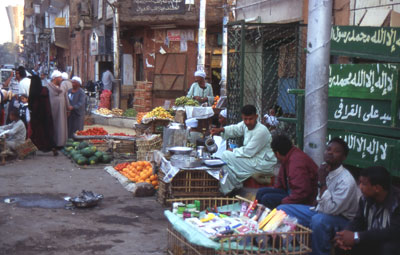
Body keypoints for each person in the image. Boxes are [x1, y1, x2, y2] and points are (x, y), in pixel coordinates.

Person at [277, 137, 361, 255]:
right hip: (321, 211)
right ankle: (294, 246)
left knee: (318, 220)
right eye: (328, 149)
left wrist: (322, 182)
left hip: (342, 220)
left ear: (343, 158)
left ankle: (320, 252)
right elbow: (319, 200)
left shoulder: (346, 180)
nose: (330, 153)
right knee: (283, 209)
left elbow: (331, 210)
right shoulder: (324, 168)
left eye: (336, 151)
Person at [210, 105, 277, 195]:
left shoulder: (261, 131)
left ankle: (232, 187)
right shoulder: (245, 124)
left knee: (226, 155)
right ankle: (231, 189)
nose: (248, 122)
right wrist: (221, 130)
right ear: (242, 117)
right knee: (224, 165)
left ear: (256, 117)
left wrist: (233, 151)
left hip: (262, 162)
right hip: (251, 159)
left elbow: (248, 151)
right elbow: (235, 129)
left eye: (250, 119)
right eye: (245, 119)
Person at [334, 166, 400, 255]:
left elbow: (392, 233)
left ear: (377, 188)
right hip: (370, 239)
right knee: (342, 245)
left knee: (388, 249)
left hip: (391, 243)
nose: (360, 187)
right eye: (359, 182)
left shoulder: (396, 202)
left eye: (363, 184)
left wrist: (357, 237)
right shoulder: (365, 199)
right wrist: (344, 235)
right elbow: (358, 221)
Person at [256, 134, 318, 209]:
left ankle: (269, 217)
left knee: (267, 199)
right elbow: (280, 183)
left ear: (277, 153)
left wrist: (283, 202)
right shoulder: (288, 156)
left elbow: (302, 193)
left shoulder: (296, 163)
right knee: (261, 192)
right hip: (291, 192)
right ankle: (256, 215)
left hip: (304, 200)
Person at [28, 75, 56, 154]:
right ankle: (52, 147)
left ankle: (34, 149)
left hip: (36, 116)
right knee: (47, 133)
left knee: (36, 133)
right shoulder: (45, 90)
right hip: (46, 115)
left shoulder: (33, 91)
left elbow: (30, 105)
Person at [46, 70, 72, 150]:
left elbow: (66, 97)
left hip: (61, 110)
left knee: (61, 126)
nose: (61, 79)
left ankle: (60, 143)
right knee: (52, 126)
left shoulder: (62, 87)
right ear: (54, 78)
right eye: (59, 77)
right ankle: (52, 143)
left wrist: (68, 108)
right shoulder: (47, 88)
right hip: (52, 110)